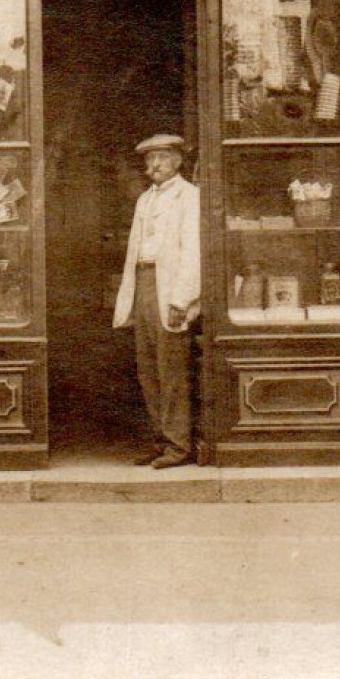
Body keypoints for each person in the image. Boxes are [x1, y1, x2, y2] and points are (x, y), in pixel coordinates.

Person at [112, 134, 200, 468]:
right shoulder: (145, 200)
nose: (154, 166)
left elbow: (194, 251)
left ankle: (179, 446)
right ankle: (160, 440)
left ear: (178, 160)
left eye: (162, 158)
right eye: (149, 160)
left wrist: (182, 298)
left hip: (170, 288)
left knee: (172, 371)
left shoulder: (190, 197)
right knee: (149, 369)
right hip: (145, 284)